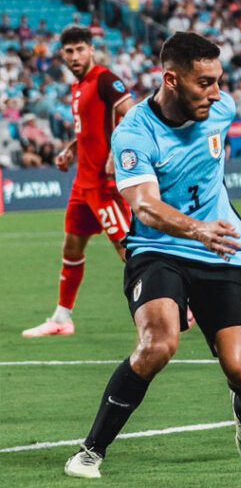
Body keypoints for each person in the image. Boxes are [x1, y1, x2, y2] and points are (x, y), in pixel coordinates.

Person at [64, 32, 241, 478]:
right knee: (158, 343)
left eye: (218, 81)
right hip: (159, 250)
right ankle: (91, 451)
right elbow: (145, 207)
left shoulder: (223, 110)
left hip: (224, 252)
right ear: (171, 79)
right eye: (205, 83)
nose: (217, 94)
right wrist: (197, 229)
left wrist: (209, 230)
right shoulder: (135, 132)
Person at [22, 26, 134, 338]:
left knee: (130, 251)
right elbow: (91, 129)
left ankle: (184, 306)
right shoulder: (78, 87)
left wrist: (117, 152)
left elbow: (133, 114)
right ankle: (62, 318)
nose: (74, 56)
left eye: (80, 49)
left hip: (104, 185)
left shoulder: (105, 79)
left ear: (91, 49)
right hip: (82, 184)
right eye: (69, 52)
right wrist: (71, 150)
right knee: (71, 247)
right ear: (62, 55)